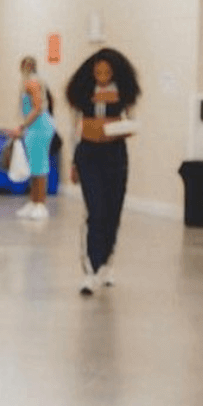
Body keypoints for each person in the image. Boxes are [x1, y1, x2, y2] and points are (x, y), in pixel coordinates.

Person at [65, 48, 141, 295]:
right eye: (98, 72)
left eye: (107, 72)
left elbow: (132, 121)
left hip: (115, 155)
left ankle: (107, 263)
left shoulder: (123, 94)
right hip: (88, 155)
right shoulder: (82, 95)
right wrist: (73, 162)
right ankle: (90, 271)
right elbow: (74, 129)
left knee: (112, 212)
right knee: (96, 211)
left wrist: (122, 127)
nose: (103, 76)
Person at [8, 55, 55, 220]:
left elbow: (37, 108)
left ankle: (41, 204)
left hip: (40, 127)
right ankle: (33, 202)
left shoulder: (33, 83)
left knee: (39, 167)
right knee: (34, 167)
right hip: (34, 128)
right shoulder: (31, 83)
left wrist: (21, 127)